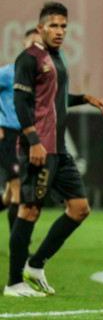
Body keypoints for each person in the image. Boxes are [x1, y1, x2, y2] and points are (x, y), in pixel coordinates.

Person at [4, 2, 103, 298]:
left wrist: (86, 97)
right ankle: (14, 282)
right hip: (38, 147)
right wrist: (33, 140)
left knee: (79, 209)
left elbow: (56, 99)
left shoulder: (57, 58)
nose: (60, 31)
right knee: (29, 210)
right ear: (40, 28)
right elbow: (21, 103)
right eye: (53, 25)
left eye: (64, 26)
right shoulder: (28, 59)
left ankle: (36, 265)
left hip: (59, 149)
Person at [0, 29, 43, 233]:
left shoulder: (38, 78)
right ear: (24, 46)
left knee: (9, 195)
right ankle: (18, 247)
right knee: (18, 189)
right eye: (32, 44)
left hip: (24, 137)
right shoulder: (8, 72)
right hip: (6, 135)